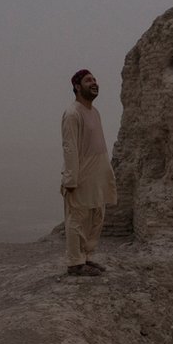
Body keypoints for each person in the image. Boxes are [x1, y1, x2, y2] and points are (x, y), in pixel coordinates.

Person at [60, 69, 117, 276]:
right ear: (77, 86)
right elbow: (70, 147)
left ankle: (86, 257)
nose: (94, 83)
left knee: (96, 216)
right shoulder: (72, 113)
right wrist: (70, 179)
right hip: (81, 176)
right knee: (78, 218)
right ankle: (75, 263)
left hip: (98, 176)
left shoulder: (95, 112)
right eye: (88, 80)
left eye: (95, 79)